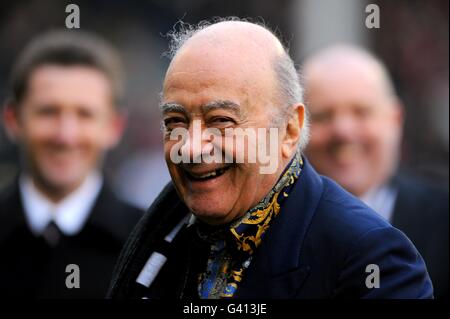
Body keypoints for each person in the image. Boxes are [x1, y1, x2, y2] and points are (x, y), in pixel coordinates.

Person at [108, 19, 432, 299]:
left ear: (289, 130)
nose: (191, 148)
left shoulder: (371, 258)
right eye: (175, 122)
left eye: (221, 120)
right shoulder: (158, 239)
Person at [0, 30, 143, 298]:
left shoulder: (151, 247)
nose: (66, 135)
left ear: (114, 126)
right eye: (48, 112)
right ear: (13, 119)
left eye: (84, 114)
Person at [302, 45, 448, 298]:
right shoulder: (267, 230)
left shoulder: (444, 220)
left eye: (362, 112)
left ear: (395, 119)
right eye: (324, 116)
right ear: (295, 129)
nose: (344, 131)